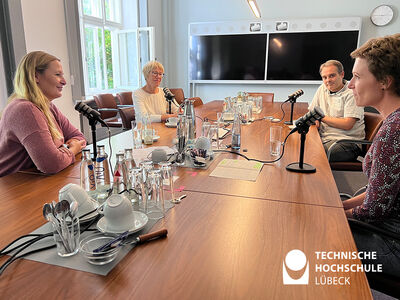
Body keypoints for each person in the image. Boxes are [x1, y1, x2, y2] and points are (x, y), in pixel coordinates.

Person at [343, 33, 400, 277]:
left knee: (310, 234)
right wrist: (341, 205)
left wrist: (334, 214)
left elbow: (375, 210)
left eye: (357, 76)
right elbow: (383, 190)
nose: (350, 84)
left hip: (392, 244)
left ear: (384, 81)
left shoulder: (394, 130)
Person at [0, 51, 86, 177]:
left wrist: (64, 151)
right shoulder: (25, 109)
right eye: (57, 75)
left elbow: (79, 137)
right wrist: (73, 149)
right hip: (12, 189)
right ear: (36, 76)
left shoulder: (48, 107)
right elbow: (52, 164)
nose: (64, 81)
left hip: (33, 180)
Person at [309, 60, 365, 162]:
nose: (328, 80)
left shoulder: (352, 92)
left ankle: (320, 178)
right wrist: (315, 120)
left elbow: (347, 124)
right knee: (299, 146)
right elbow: (313, 111)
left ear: (342, 74)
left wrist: (321, 117)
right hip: (325, 137)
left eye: (332, 76)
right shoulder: (322, 88)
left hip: (346, 141)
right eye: (324, 77)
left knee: (315, 154)